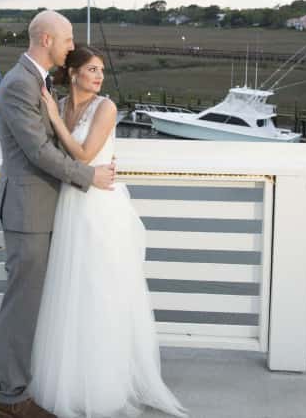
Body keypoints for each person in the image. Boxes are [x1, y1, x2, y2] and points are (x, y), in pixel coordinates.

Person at [31, 46, 188, 418]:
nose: (99, 76)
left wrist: (54, 119)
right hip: (70, 204)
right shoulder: (62, 102)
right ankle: (71, 378)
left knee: (101, 288)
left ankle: (103, 384)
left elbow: (84, 156)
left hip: (100, 207)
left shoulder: (106, 107)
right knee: (72, 289)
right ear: (72, 73)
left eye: (101, 70)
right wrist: (55, 114)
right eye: (91, 69)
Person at [0, 10, 117, 418]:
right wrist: (88, 176)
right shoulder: (18, 85)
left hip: (48, 209)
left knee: (37, 303)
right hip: (29, 211)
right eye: (66, 40)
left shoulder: (37, 82)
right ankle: (11, 399)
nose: (70, 47)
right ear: (46, 40)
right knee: (23, 305)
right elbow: (38, 152)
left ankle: (24, 386)